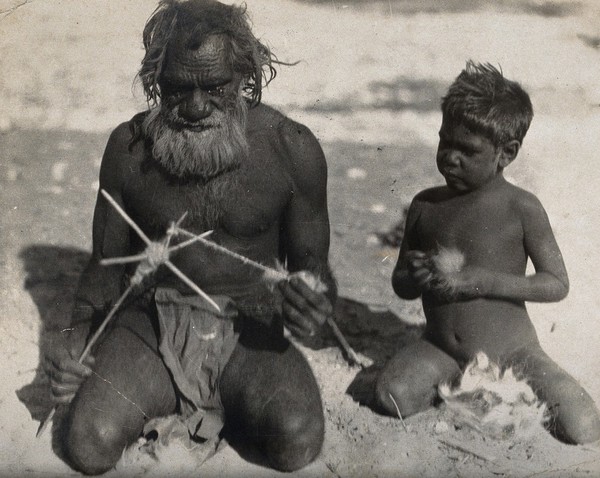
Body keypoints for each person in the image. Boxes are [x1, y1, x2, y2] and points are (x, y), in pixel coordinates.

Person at [44, 0, 337, 474]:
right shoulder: (128, 148)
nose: (197, 107)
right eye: (179, 88)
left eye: (216, 86)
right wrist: (74, 339)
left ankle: (229, 404)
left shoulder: (291, 148)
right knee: (88, 444)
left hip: (249, 326)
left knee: (297, 442)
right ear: (155, 81)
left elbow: (315, 273)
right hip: (152, 324)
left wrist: (314, 306)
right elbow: (105, 268)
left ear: (246, 75)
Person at [375, 61, 600, 445]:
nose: (450, 157)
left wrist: (484, 282)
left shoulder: (521, 208)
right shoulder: (425, 206)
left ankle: (490, 386)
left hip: (513, 351)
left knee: (582, 424)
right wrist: (412, 274)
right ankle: (462, 382)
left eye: (467, 150)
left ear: (506, 153)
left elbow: (556, 283)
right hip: (442, 347)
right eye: (445, 141)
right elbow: (401, 286)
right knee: (392, 395)